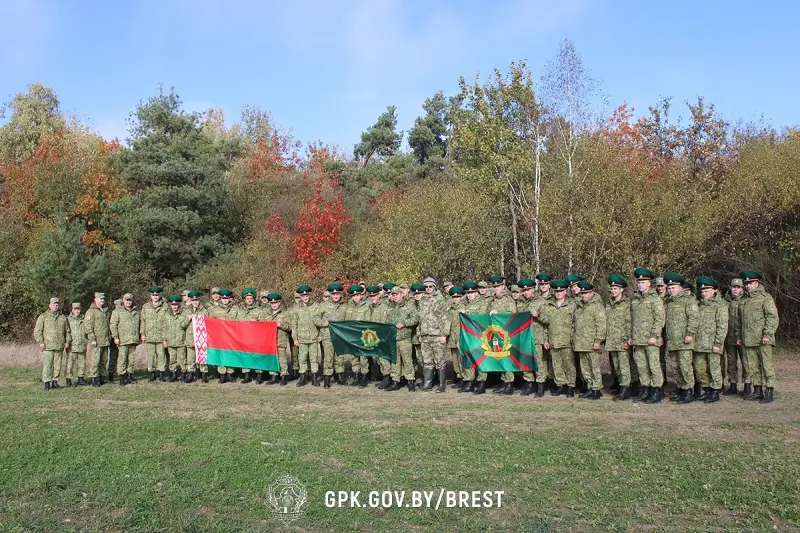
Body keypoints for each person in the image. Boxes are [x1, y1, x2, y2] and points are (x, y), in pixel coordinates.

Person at [738, 270, 779, 403]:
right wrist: (740, 336)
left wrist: (767, 334)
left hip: (763, 339)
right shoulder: (744, 300)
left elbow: (772, 317)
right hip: (749, 339)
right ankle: (757, 390)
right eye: (746, 283)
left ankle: (769, 390)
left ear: (757, 283)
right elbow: (740, 321)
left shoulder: (765, 298)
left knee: (766, 365)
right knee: (753, 366)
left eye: (750, 283)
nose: (748, 285)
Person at [535, 280, 577, 398]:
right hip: (553, 341)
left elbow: (575, 323)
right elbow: (546, 324)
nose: (558, 293)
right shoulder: (549, 305)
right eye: (556, 291)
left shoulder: (572, 304)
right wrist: (546, 340)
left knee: (569, 365)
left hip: (567, 341)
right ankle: (560, 385)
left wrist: (573, 339)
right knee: (557, 366)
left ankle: (570, 387)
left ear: (565, 291)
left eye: (561, 291)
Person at [630, 267, 665, 404]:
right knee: (641, 366)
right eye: (638, 282)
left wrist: (654, 335)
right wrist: (631, 336)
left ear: (649, 283)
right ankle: (645, 389)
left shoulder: (655, 299)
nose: (640, 285)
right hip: (638, 340)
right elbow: (632, 320)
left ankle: (656, 390)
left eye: (643, 282)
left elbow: (659, 319)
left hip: (651, 340)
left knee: (653, 366)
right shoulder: (635, 299)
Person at [663, 273, 698, 404]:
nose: (671, 290)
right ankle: (681, 389)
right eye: (669, 288)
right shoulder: (668, 302)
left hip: (684, 341)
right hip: (672, 340)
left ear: (680, 287)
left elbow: (693, 318)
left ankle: (689, 391)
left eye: (674, 287)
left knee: (685, 367)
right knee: (676, 367)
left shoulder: (688, 301)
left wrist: (690, 333)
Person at [694, 276, 728, 404]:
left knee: (714, 368)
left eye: (706, 291)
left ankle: (715, 391)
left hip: (713, 343)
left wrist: (718, 343)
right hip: (699, 344)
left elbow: (722, 326)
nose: (704, 294)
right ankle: (707, 389)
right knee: (700, 368)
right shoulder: (698, 306)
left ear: (714, 291)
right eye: (702, 291)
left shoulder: (720, 306)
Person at [572, 281, 606, 400]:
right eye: (582, 293)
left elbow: (601, 325)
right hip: (581, 343)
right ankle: (590, 387)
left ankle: (597, 389)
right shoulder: (579, 307)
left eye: (586, 293)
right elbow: (574, 325)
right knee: (585, 369)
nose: (583, 295)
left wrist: (598, 340)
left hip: (592, 344)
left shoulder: (597, 306)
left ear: (592, 293)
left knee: (594, 368)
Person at [418, 277, 450, 393]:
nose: (428, 288)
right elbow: (419, 318)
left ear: (434, 286)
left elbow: (445, 318)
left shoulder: (440, 299)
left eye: (430, 286)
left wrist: (444, 334)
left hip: (437, 334)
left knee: (440, 360)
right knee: (427, 360)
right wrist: (419, 333)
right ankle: (428, 383)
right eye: (426, 287)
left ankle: (441, 384)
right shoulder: (422, 300)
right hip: (425, 335)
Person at [384, 286, 419, 392]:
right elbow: (386, 322)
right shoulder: (390, 308)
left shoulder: (409, 306)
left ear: (402, 294)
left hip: (404, 338)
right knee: (395, 361)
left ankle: (410, 381)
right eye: (393, 295)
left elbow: (416, 318)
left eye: (396, 294)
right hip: (393, 339)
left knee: (407, 360)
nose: (395, 296)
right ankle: (395, 381)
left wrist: (404, 323)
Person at [487, 275, 517, 395]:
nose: (495, 288)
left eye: (498, 286)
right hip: (495, 334)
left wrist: (498, 314)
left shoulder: (508, 299)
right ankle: (504, 382)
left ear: (503, 286)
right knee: (499, 358)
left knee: (506, 359)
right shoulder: (493, 300)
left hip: (506, 334)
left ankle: (509, 384)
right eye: (494, 286)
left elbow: (512, 315)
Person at [606, 274, 633, 401]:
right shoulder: (608, 304)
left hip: (622, 340)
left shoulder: (627, 303)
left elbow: (629, 322)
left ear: (621, 289)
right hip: (612, 340)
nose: (613, 291)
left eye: (615, 288)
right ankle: (621, 386)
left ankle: (626, 389)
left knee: (624, 366)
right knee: (616, 366)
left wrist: (628, 338)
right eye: (611, 288)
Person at [34, 297, 70, 390]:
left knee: (57, 366)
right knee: (48, 365)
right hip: (47, 346)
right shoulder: (43, 317)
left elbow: (67, 331)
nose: (55, 306)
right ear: (49, 305)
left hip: (59, 346)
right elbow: (38, 331)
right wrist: (41, 342)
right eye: (53, 305)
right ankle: (46, 382)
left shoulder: (62, 317)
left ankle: (55, 382)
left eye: (57, 305)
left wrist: (67, 341)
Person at [316, 283, 347, 387]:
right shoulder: (323, 305)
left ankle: (339, 377)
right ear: (330, 295)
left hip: (340, 336)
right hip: (327, 335)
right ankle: (327, 378)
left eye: (337, 294)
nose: (335, 296)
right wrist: (322, 323)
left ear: (340, 294)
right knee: (328, 357)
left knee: (339, 357)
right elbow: (315, 318)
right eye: (333, 294)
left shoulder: (344, 306)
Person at [291, 285, 320, 387]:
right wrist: (295, 338)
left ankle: (314, 378)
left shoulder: (316, 306)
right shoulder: (296, 308)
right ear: (300, 297)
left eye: (306, 295)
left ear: (309, 295)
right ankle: (302, 378)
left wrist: (320, 334)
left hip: (313, 338)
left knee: (314, 358)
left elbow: (319, 320)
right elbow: (294, 324)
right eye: (303, 296)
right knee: (302, 359)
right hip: (302, 339)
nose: (305, 298)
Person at [724, 278, 749, 396]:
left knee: (746, 362)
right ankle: (733, 385)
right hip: (729, 337)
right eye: (734, 287)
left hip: (743, 338)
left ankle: (747, 385)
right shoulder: (725, 301)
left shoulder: (746, 300)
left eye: (738, 287)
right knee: (731, 362)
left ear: (742, 289)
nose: (735, 289)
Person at [207, 289, 238, 383]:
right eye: (223, 298)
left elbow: (239, 321)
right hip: (219, 336)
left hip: (231, 336)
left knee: (231, 354)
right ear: (220, 298)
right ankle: (222, 375)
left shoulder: (235, 309)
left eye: (226, 298)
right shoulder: (214, 310)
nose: (225, 300)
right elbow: (209, 322)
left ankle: (230, 374)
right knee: (220, 355)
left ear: (229, 299)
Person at [343, 284, 371, 387]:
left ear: (361, 296)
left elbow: (368, 322)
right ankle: (356, 376)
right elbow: (345, 321)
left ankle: (364, 377)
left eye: (357, 295)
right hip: (352, 337)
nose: (356, 297)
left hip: (362, 336)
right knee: (354, 357)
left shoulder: (366, 308)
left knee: (363, 358)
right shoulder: (347, 308)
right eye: (353, 296)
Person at [110, 293, 140, 385]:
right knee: (122, 359)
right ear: (123, 300)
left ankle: (129, 376)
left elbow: (139, 325)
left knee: (131, 359)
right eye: (127, 300)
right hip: (122, 340)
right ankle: (122, 377)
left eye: (130, 300)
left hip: (133, 339)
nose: (128, 302)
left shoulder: (136, 312)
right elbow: (113, 325)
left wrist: (138, 336)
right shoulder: (117, 311)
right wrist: (115, 337)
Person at [263, 293, 292, 385]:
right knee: (272, 358)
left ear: (279, 303)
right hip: (270, 340)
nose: (274, 305)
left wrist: (280, 325)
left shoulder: (285, 314)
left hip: (280, 339)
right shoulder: (267, 315)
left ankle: (284, 376)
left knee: (282, 358)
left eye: (275, 303)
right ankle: (274, 376)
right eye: (272, 303)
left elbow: (290, 327)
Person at [84, 292, 111, 387]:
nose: (102, 300)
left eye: (103, 299)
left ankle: (102, 377)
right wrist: (92, 338)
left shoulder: (106, 310)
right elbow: (88, 326)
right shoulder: (91, 311)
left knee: (104, 360)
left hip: (105, 339)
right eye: (100, 298)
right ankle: (94, 378)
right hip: (96, 340)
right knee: (95, 360)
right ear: (95, 299)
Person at [140, 286, 167, 382]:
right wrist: (142, 333)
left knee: (161, 355)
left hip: (161, 336)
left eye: (157, 295)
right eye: (153, 295)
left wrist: (166, 337)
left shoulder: (165, 306)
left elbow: (168, 321)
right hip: (150, 336)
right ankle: (152, 373)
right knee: (150, 356)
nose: (155, 296)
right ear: (150, 296)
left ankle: (161, 374)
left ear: (159, 295)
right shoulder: (145, 306)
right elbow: (142, 321)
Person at [236, 288, 262, 384]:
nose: (249, 300)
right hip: (244, 338)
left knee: (257, 357)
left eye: (251, 298)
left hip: (255, 338)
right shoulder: (240, 311)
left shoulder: (259, 311)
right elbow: (235, 324)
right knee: (245, 357)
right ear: (244, 299)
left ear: (254, 299)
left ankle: (259, 375)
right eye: (247, 298)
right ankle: (247, 376)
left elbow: (263, 325)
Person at [164, 295, 190, 382]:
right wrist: (164, 340)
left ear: (179, 305)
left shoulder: (183, 314)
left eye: (176, 305)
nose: (174, 306)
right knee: (172, 359)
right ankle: (173, 374)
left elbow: (186, 327)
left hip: (181, 341)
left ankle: (183, 374)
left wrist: (186, 338)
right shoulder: (166, 315)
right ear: (170, 305)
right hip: (170, 341)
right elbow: (164, 328)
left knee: (182, 359)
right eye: (172, 305)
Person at [184, 291, 209, 382]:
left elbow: (209, 324)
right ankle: (190, 374)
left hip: (201, 338)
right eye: (193, 300)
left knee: (202, 357)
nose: (195, 302)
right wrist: (188, 319)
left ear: (199, 300)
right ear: (190, 301)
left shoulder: (205, 311)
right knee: (190, 358)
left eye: (197, 300)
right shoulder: (186, 311)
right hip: (190, 338)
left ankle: (204, 375)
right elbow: (182, 325)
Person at [446, 286, 467, 389]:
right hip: (452, 337)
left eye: (458, 297)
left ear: (461, 297)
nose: (455, 299)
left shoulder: (464, 308)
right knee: (454, 360)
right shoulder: (450, 308)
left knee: (461, 359)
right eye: (454, 297)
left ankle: (464, 379)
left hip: (461, 337)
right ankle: (458, 377)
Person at [65, 303, 87, 387]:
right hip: (72, 345)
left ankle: (81, 379)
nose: (77, 311)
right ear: (72, 310)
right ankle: (68, 379)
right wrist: (67, 342)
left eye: (78, 309)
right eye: (75, 309)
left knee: (82, 363)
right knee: (70, 364)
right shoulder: (68, 319)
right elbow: (66, 332)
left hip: (82, 345)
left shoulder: (84, 319)